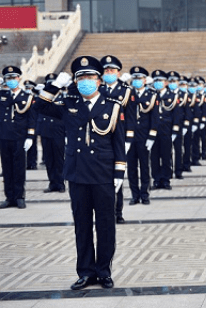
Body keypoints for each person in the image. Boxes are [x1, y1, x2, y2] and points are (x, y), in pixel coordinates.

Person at [34, 56, 126, 290]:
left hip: (103, 174)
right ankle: (85, 272)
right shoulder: (69, 105)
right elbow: (41, 106)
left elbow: (118, 143)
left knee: (105, 225)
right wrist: (55, 86)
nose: (86, 80)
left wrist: (118, 174)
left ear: (99, 80)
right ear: (75, 81)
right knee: (82, 225)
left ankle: (103, 271)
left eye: (90, 76)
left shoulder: (113, 106)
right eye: (81, 77)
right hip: (77, 174)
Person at [99, 55, 134, 223]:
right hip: (101, 137)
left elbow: (130, 116)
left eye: (111, 70)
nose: (108, 73)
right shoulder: (97, 89)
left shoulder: (126, 91)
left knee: (117, 178)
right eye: (106, 71)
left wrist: (127, 139)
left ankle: (117, 212)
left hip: (118, 138)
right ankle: (104, 213)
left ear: (118, 73)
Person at [0, 65, 36, 209]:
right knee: (7, 168)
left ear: (19, 78)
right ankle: (9, 197)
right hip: (4, 137)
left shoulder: (27, 97)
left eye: (13, 78)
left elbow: (31, 118)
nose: (11, 80)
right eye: (8, 78)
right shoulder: (2, 96)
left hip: (19, 137)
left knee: (19, 168)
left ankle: (20, 196)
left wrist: (30, 136)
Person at [127, 66, 157, 205]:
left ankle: (145, 194)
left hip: (144, 136)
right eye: (135, 78)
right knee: (131, 167)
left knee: (145, 166)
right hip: (130, 136)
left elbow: (154, 117)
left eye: (140, 78)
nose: (137, 81)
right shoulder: (128, 94)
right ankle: (135, 195)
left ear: (145, 80)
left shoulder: (151, 95)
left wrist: (151, 136)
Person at [38, 73, 66, 193]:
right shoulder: (44, 96)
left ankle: (60, 183)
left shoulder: (62, 97)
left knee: (59, 159)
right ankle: (52, 183)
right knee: (49, 159)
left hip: (58, 131)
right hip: (46, 131)